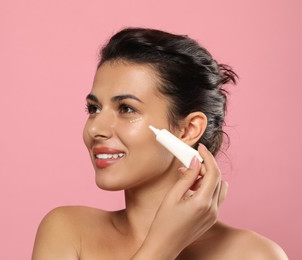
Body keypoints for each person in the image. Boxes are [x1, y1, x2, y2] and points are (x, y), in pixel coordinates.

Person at [32, 28, 288, 259]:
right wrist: (162, 246)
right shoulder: (68, 232)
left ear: (188, 129)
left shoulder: (254, 255)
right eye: (94, 108)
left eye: (126, 108)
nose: (95, 128)